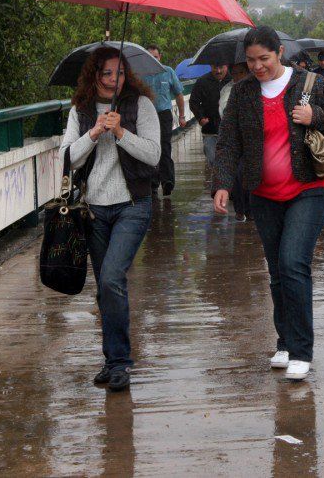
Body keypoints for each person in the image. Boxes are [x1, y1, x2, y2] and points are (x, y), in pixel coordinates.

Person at [213, 26, 324, 381]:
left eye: (264, 59)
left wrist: (314, 116)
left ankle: (302, 351)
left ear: (279, 53)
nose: (258, 66)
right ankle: (285, 342)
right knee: (276, 271)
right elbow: (228, 143)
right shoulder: (243, 92)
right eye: (251, 61)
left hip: (308, 190)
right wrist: (223, 184)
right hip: (263, 195)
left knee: (292, 264)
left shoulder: (310, 84)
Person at [59, 47, 160, 392]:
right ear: (94, 75)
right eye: (106, 73)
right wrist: (93, 133)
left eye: (119, 73)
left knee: (112, 277)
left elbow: (153, 154)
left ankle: (119, 363)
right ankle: (112, 358)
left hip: (133, 204)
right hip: (94, 209)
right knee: (105, 287)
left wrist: (120, 133)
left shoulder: (140, 106)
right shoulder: (81, 111)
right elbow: (67, 159)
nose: (114, 80)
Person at [144, 44, 186, 196]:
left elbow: (179, 94)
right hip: (146, 116)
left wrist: (182, 116)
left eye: (155, 57)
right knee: (149, 148)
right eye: (150, 57)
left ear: (160, 57)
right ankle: (153, 182)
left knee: (165, 146)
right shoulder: (140, 74)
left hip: (164, 114)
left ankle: (167, 181)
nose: (153, 59)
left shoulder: (168, 72)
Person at [220, 62, 252, 221]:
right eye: (234, 73)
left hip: (252, 141)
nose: (237, 77)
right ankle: (240, 209)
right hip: (235, 141)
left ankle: (250, 209)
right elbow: (224, 113)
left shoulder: (256, 88)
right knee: (238, 176)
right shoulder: (227, 90)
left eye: (241, 73)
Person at [189, 64, 230, 167]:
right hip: (210, 130)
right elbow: (193, 102)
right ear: (211, 66)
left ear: (227, 66)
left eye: (221, 67)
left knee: (229, 162)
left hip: (230, 130)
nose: (218, 70)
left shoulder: (234, 80)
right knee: (212, 160)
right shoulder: (202, 81)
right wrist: (200, 118)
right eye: (215, 67)